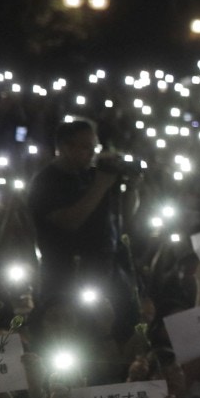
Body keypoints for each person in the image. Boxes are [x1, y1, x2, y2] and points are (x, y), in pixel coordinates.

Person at [27, 117, 133, 336]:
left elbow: (128, 213)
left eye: (94, 147)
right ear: (64, 147)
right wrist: (101, 185)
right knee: (69, 332)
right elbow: (69, 222)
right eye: (85, 147)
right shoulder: (46, 181)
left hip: (104, 267)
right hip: (65, 274)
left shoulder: (93, 174)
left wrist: (132, 186)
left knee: (107, 330)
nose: (92, 153)